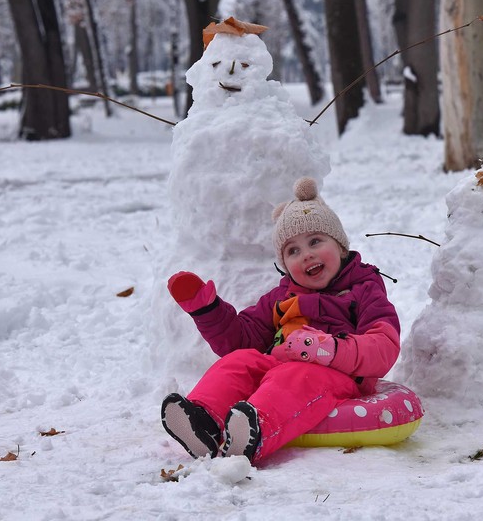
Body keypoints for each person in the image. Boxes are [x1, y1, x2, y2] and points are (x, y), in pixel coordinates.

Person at [160, 177, 401, 463]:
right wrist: (207, 310)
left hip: (334, 375)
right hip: (280, 366)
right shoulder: (281, 297)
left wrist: (329, 348)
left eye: (315, 241)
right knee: (241, 362)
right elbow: (241, 339)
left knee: (295, 375)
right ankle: (203, 424)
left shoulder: (363, 290)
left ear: (340, 245)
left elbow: (383, 345)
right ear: (285, 266)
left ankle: (254, 430)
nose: (306, 254)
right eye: (293, 251)